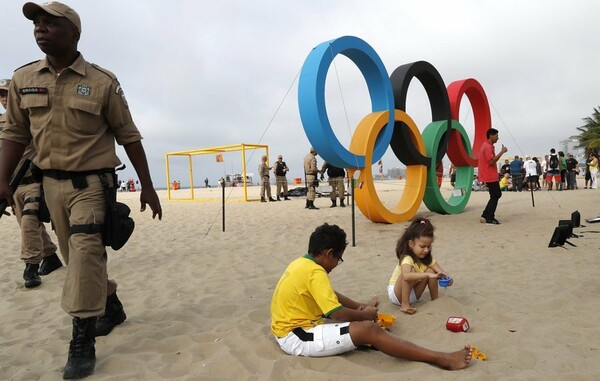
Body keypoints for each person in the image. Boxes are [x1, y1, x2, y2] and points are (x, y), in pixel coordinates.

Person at [0, 3, 162, 378]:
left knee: (87, 252)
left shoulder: (102, 82)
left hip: (91, 185)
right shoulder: (22, 78)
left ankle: (82, 341)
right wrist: (3, 180)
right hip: (49, 185)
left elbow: (129, 135)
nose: (40, 29)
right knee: (76, 261)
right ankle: (113, 306)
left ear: (74, 33)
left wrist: (148, 186)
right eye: (37, 24)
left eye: (50, 23)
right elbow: (15, 133)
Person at [270, 223, 472, 370]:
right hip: (296, 336)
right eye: (338, 259)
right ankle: (441, 358)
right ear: (328, 253)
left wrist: (360, 306)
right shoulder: (316, 272)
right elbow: (337, 314)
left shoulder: (301, 264)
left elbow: (331, 295)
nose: (336, 264)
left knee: (368, 329)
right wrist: (365, 314)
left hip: (294, 329)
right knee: (370, 329)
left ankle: (380, 340)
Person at [1, 79, 63, 288]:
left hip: (35, 182)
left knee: (29, 222)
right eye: (0, 96)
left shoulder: (34, 119)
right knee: (30, 225)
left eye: (6, 94)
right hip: (11, 186)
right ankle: (51, 257)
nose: (3, 99)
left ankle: (30, 267)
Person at [387, 217, 451, 315]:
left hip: (413, 295)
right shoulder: (407, 258)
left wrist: (448, 279)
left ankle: (435, 300)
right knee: (411, 273)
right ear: (411, 244)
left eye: (428, 247)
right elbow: (406, 276)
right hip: (397, 294)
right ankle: (405, 305)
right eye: (422, 246)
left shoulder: (427, 259)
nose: (426, 250)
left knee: (431, 271)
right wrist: (427, 276)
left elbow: (442, 273)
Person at [478, 128, 508, 225]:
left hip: (489, 175)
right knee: (496, 194)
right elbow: (491, 161)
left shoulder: (488, 145)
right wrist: (502, 152)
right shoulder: (487, 146)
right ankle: (489, 218)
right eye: (496, 136)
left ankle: (485, 215)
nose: (497, 138)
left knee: (495, 195)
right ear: (491, 135)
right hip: (489, 175)